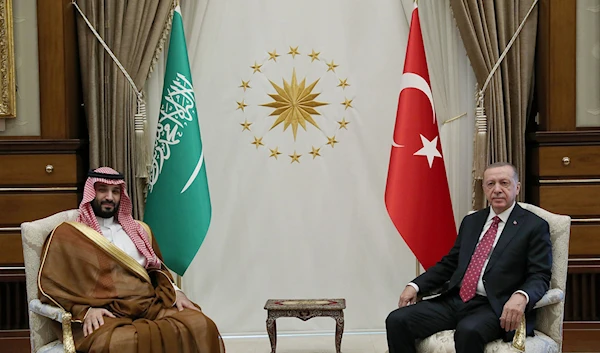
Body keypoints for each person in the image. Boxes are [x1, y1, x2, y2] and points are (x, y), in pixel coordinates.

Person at [38, 167, 225, 353]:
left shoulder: (138, 231)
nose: (109, 197)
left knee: (201, 325)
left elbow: (156, 270)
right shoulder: (69, 235)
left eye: (115, 191)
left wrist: (176, 292)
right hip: (106, 312)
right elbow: (52, 286)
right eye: (102, 190)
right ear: (90, 193)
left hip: (149, 305)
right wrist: (85, 310)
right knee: (121, 343)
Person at [386, 162, 552, 353]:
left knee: (468, 331)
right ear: (484, 188)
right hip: (456, 300)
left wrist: (521, 296)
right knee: (397, 320)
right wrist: (415, 285)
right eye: (491, 184)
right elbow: (450, 263)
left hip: (495, 305)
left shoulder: (534, 226)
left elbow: (540, 275)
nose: (497, 189)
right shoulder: (472, 221)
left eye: (504, 183)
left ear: (517, 187)